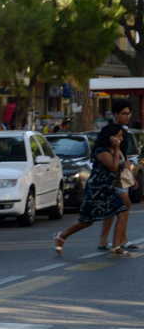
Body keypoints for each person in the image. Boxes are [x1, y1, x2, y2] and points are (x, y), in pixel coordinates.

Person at [56, 123, 132, 255]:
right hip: (96, 190)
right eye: (119, 136)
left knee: (122, 211)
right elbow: (113, 167)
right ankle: (61, 236)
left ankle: (116, 245)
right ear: (111, 137)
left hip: (109, 189)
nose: (121, 139)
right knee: (86, 221)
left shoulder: (116, 150)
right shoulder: (102, 151)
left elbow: (120, 166)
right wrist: (117, 148)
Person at [99, 100, 138, 250]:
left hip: (121, 172)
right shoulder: (110, 131)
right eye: (123, 114)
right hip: (112, 174)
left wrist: (131, 175)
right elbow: (107, 151)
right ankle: (121, 239)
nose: (127, 116)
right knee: (124, 204)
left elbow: (124, 154)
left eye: (129, 114)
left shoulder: (125, 131)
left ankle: (107, 239)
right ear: (115, 114)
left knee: (114, 207)